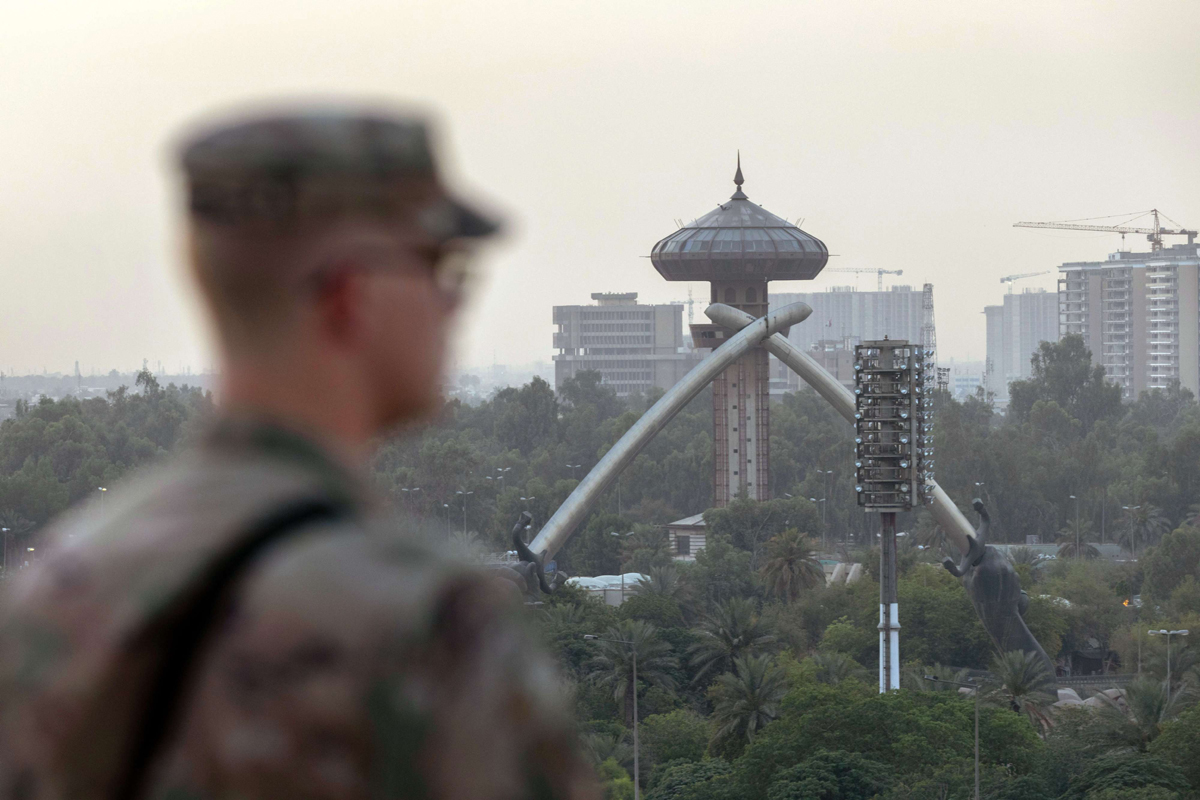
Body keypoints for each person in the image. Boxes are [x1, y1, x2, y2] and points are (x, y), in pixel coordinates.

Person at [0, 107, 596, 800]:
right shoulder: (420, 616)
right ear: (350, 294)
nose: (453, 302)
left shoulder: (52, 592)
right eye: (439, 265)